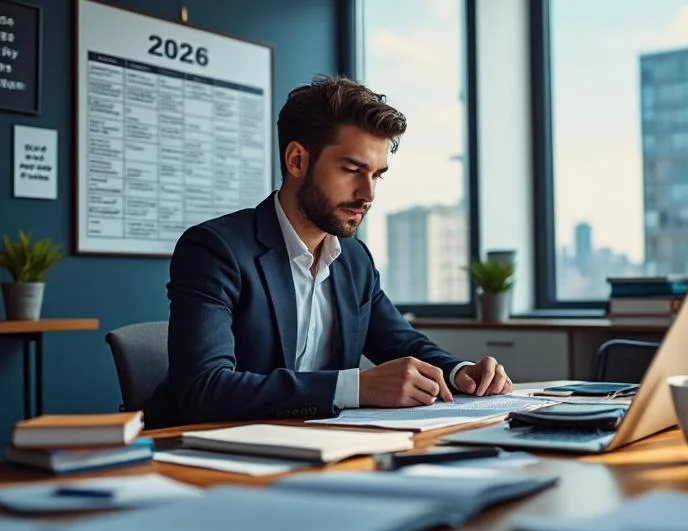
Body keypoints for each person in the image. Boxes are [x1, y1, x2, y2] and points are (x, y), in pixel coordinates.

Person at [143, 75, 512, 429]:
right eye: (352, 170)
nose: (368, 195)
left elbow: (401, 342)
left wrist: (459, 372)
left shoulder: (354, 260)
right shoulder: (215, 250)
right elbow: (206, 388)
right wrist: (358, 387)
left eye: (376, 175)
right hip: (202, 454)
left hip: (319, 446)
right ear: (297, 161)